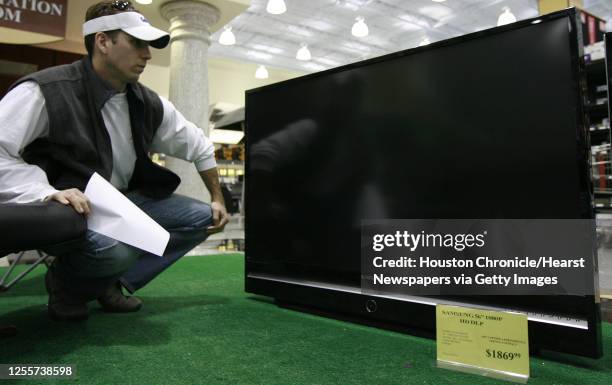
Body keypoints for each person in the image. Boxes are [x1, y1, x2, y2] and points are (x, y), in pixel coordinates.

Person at [0, 0, 228, 321]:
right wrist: (42, 191)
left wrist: (217, 198)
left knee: (203, 217)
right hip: (72, 208)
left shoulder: (147, 101)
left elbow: (199, 145)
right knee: (118, 249)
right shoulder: (48, 90)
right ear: (103, 41)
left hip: (127, 200)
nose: (147, 54)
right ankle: (64, 284)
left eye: (147, 45)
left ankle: (109, 282)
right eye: (136, 43)